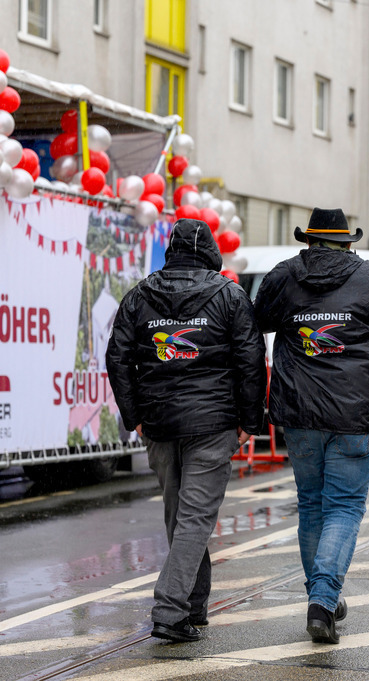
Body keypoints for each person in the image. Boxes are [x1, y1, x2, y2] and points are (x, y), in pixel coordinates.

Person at [253, 208, 369, 644]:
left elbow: (255, 321)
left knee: (312, 506)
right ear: (348, 243)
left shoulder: (283, 277)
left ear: (308, 241)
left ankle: (323, 596)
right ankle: (323, 600)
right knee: (345, 507)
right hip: (355, 415)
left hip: (298, 413)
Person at [106, 219, 267, 644]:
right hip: (213, 424)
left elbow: (117, 358)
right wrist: (249, 421)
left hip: (159, 424)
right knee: (193, 519)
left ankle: (193, 604)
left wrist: (135, 416)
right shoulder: (229, 295)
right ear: (210, 250)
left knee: (181, 517)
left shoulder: (139, 295)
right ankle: (170, 610)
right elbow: (251, 360)